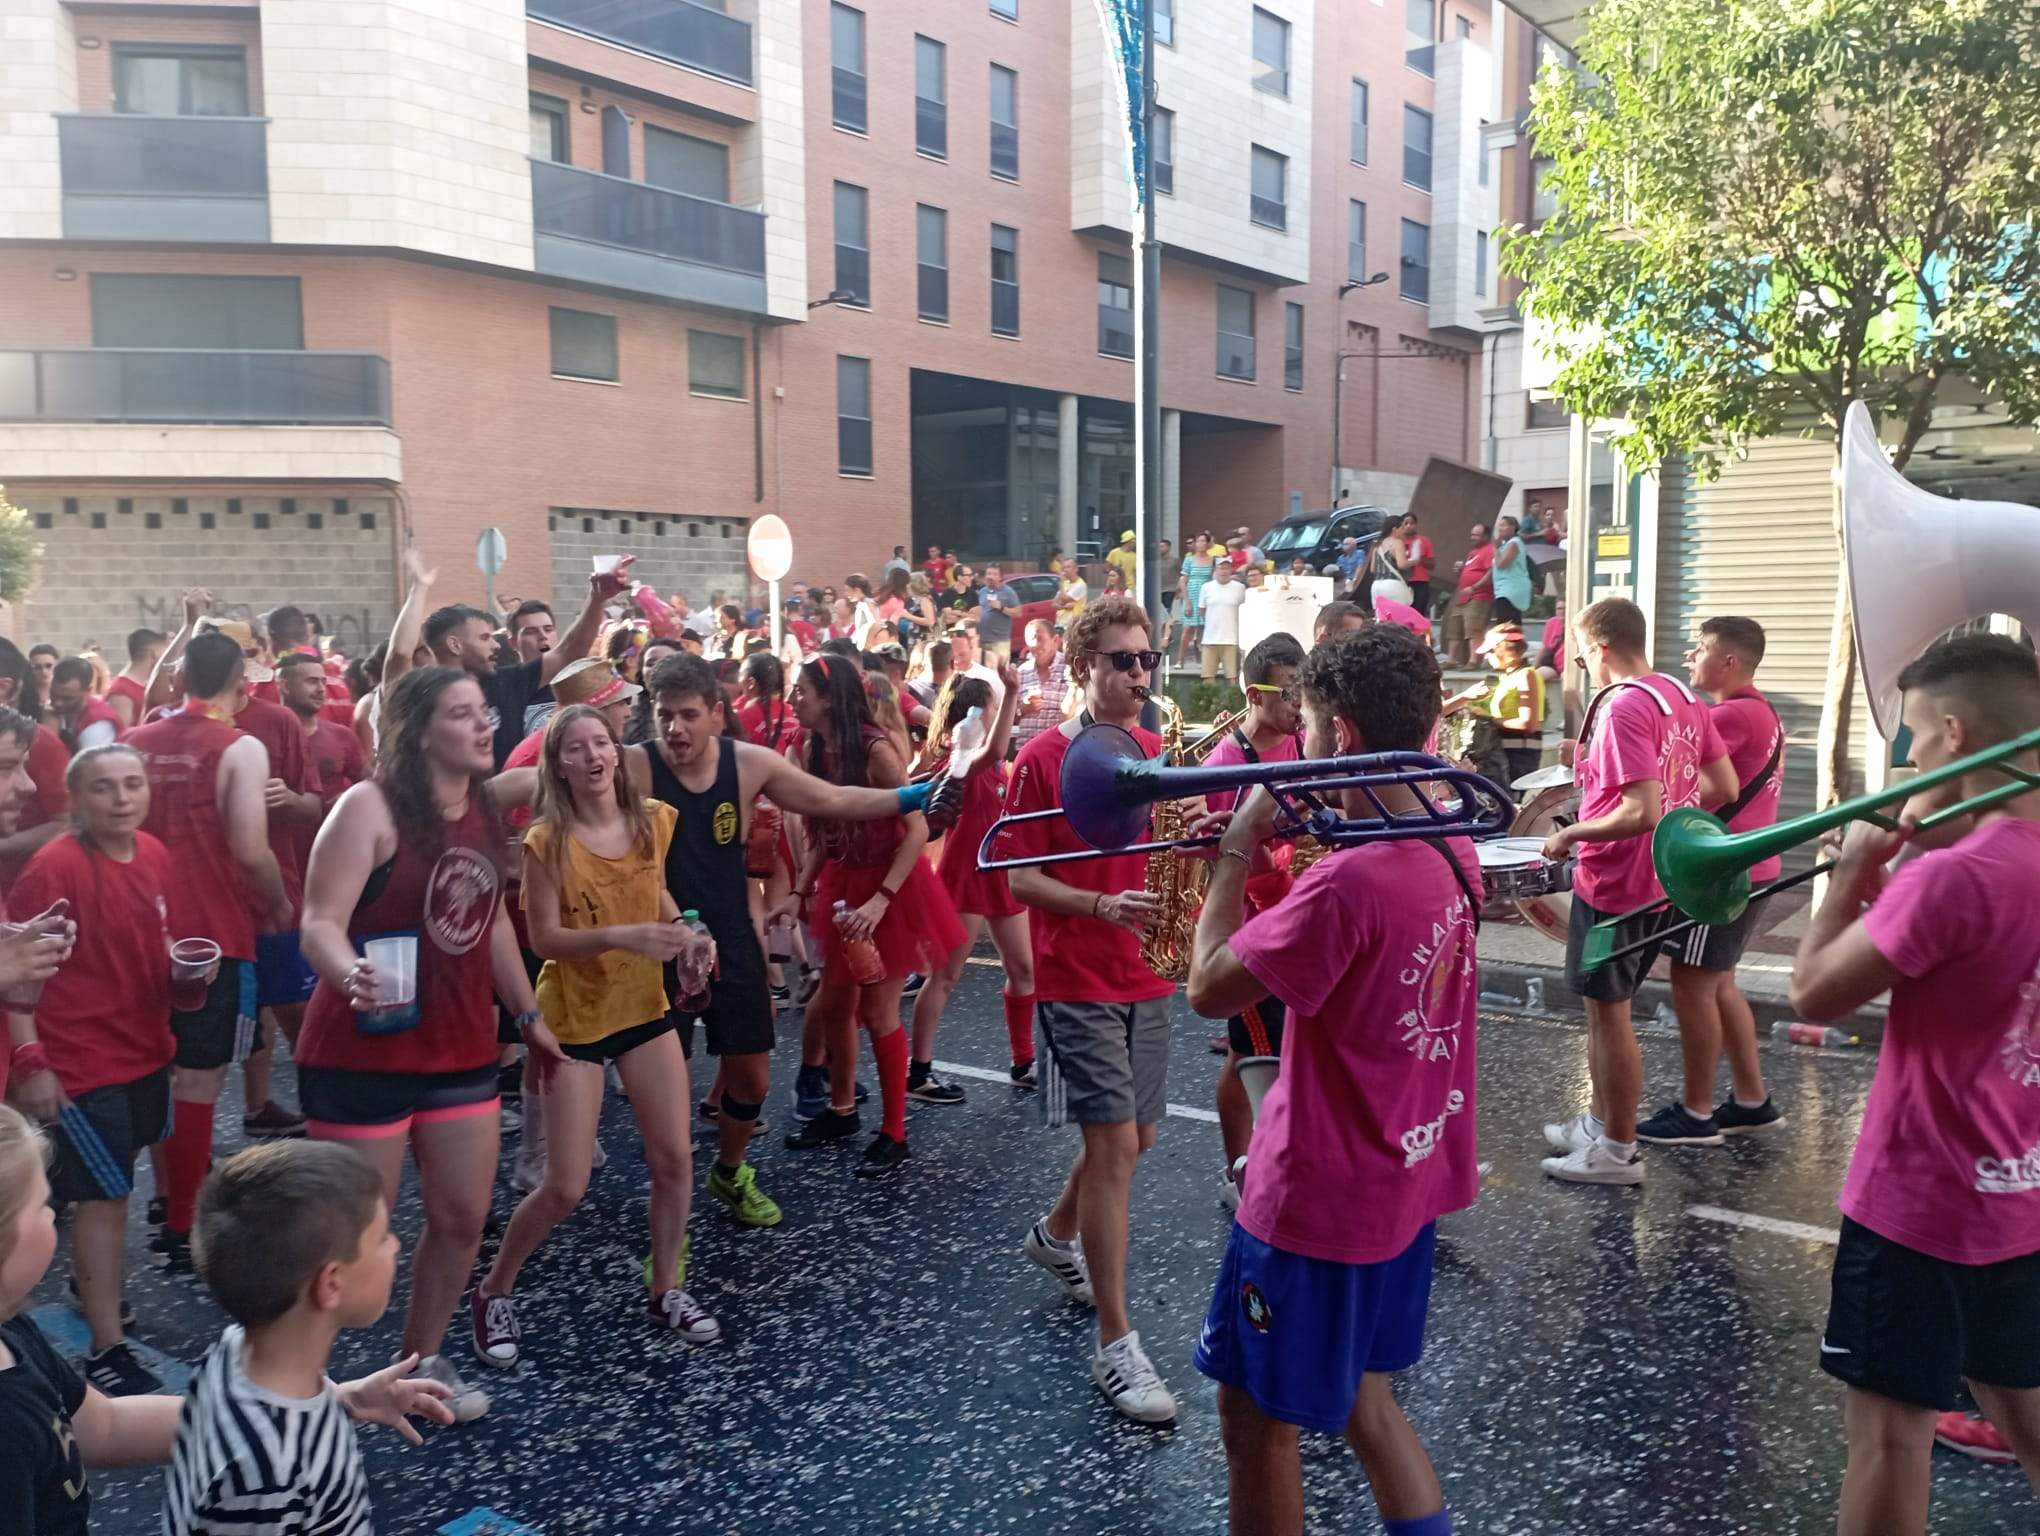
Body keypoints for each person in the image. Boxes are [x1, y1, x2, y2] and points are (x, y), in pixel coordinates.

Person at [1184, 623, 1477, 1536]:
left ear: (1341, 735)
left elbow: (1205, 989)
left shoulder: (1349, 881)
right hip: (1405, 1178)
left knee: (1255, 1420)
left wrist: (1237, 848)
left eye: (1308, 730)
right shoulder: (1447, 843)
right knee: (1365, 1403)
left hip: (1316, 1202)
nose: (1299, 751)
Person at [1788, 633, 2040, 1536]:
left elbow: (1814, 992)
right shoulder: (1983, 863)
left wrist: (1855, 868)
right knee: (2029, 1413)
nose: (1907, 762)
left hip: (1918, 1202)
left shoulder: (1951, 880)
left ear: (1955, 729)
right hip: (2023, 1197)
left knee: (1892, 1443)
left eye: (1917, 743)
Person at [294, 666, 554, 1422]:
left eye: (485, 713)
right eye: (464, 715)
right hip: (360, 1054)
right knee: (343, 1241)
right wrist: (349, 975)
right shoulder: (366, 808)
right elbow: (317, 923)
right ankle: (295, 1388)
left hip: (461, 1046)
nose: (485, 727)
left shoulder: (480, 806)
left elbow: (496, 922)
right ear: (420, 730)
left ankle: (421, 1366)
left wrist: (530, 1018)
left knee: (463, 1219)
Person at [629, 653, 942, 1208]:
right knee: (824, 1010)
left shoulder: (781, 759)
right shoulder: (641, 765)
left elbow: (860, 809)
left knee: (799, 1052)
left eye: (688, 715)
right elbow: (826, 821)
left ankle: (749, 1165)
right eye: (664, 714)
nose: (675, 728)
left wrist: (902, 809)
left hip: (804, 916)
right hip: (682, 937)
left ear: (717, 715)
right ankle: (672, 1211)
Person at [472, 706, 720, 1359]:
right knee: (566, 1185)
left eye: (601, 743)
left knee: (674, 1159)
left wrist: (690, 933)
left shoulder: (650, 822)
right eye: (577, 749)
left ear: (616, 752)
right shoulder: (547, 841)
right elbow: (545, 938)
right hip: (577, 1015)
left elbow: (656, 892)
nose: (593, 756)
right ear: (558, 765)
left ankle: (667, 1287)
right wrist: (626, 936)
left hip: (642, 1007)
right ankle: (494, 1291)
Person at [1002, 597, 1175, 1425]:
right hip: (1076, 978)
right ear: (1083, 669)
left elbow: (1168, 853)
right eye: (1120, 660)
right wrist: (1100, 909)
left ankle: (1054, 1234)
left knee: (1135, 1143)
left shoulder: (1154, 748)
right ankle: (1117, 1346)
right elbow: (1018, 880)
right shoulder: (1041, 758)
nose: (1137, 673)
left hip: (1146, 974)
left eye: (1144, 659)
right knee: (1113, 1149)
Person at [1539, 598, 1734, 1186]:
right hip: (1662, 878)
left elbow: (1639, 810)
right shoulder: (1679, 694)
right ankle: (1602, 1122)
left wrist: (1570, 831)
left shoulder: (1625, 707)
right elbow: (1721, 784)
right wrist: (1675, 794)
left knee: (1607, 1016)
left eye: (1580, 656)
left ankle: (1617, 1151)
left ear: (1599, 648)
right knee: (1607, 1010)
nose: (1582, 666)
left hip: (1618, 882)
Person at [164, 1142, 455, 1532]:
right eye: (383, 1236)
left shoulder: (238, 1350)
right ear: (331, 1283)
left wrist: (345, 1400)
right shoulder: (267, 1471)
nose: (397, 1245)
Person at [7, 745, 179, 1395]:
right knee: (105, 1200)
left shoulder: (155, 854)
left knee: (114, 1180)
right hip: (82, 1061)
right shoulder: (55, 866)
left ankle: (88, 1282)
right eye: (104, 787)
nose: (121, 797)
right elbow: (20, 975)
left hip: (145, 1050)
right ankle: (107, 1349)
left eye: (133, 783)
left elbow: (154, 943)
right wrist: (32, 1063)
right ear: (77, 799)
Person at [125, 634, 293, 1272]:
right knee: (197, 1080)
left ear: (181, 679)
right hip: (212, 937)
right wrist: (277, 903)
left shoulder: (138, 740)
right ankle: (182, 1221)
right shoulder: (240, 746)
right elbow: (251, 847)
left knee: (162, 1073)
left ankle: (168, 1196)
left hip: (143, 932)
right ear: (240, 686)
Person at [776, 655, 963, 1180]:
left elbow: (918, 831)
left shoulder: (875, 749)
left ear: (829, 699)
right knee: (834, 1005)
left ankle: (895, 1133)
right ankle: (841, 1112)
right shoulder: (815, 748)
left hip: (890, 888)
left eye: (801, 692)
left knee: (879, 1012)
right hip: (845, 884)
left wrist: (880, 900)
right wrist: (798, 889)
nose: (794, 701)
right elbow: (824, 834)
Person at [1636, 617, 1785, 1146]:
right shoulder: (1763, 711)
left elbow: (1692, 784)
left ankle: (1696, 1113)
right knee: (1719, 982)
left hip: (1721, 872)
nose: (1689, 658)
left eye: (1698, 649)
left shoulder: (1730, 715)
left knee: (1692, 983)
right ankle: (1751, 1100)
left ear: (1729, 662)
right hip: (1753, 865)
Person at [0, 1103, 185, 1530]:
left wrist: (266, 1411)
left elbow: (104, 1426)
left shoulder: (11, 1332)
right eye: (42, 1204)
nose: (52, 1214)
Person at [1197, 633, 1306, 1210]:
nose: (1296, 704)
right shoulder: (1222, 764)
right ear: (1254, 694)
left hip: (1292, 916)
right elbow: (1220, 857)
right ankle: (1241, 1171)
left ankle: (1256, 1164)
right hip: (1246, 929)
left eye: (1300, 692)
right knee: (1254, 1054)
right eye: (1286, 692)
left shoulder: (1301, 745)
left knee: (1265, 1053)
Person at [908, 667, 1035, 1095]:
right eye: (995, 708)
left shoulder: (980, 758)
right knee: (944, 976)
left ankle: (1023, 1061)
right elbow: (997, 744)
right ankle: (919, 1072)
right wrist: (1014, 689)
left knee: (1023, 970)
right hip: (965, 876)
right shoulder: (959, 758)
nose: (1002, 714)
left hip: (998, 873)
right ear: (977, 714)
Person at [425, 554, 634, 768]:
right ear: (455, 645)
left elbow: (567, 652)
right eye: (484, 638)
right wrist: (418, 590)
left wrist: (596, 598)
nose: (496, 645)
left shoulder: (509, 681)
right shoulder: (420, 698)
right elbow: (398, 658)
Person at [1481, 627, 1546, 786]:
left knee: (1509, 799)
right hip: (1505, 750)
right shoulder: (1508, 676)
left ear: (1505, 649)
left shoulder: (1526, 675)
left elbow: (1528, 723)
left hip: (1519, 754)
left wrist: (1490, 720)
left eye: (1490, 650)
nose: (1486, 655)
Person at [1012, 618, 1070, 754]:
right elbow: (1009, 715)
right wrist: (1023, 709)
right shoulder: (1022, 672)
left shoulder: (1070, 669)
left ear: (1055, 640)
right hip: (1026, 751)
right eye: (1030, 640)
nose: (1035, 645)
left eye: (1040, 639)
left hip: (1058, 751)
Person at [44, 658, 122, 752]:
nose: (58, 703)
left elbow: (89, 765)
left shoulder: (98, 724)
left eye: (67, 698)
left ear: (88, 690)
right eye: (54, 695)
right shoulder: (50, 711)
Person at [1445, 526, 1494, 668]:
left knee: (1474, 628)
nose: (1473, 537)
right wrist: (1460, 570)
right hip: (1463, 597)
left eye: (1477, 535)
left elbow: (1490, 573)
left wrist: (1474, 587)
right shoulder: (1473, 552)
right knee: (1455, 629)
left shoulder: (1489, 550)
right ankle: (1451, 660)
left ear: (1486, 536)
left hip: (1479, 596)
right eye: (1472, 535)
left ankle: (1473, 660)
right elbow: (1469, 573)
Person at [107, 628, 166, 731]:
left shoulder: (149, 683)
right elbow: (122, 735)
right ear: (153, 654)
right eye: (165, 653)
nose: (167, 658)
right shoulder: (121, 690)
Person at [1200, 559, 1247, 683]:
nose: (1224, 571)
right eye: (1221, 568)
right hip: (1209, 638)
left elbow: (1244, 610)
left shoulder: (1240, 588)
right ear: (1216, 570)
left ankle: (1234, 701)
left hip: (1231, 639)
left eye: (1227, 568)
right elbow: (1202, 610)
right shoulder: (1206, 587)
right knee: (1208, 676)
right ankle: (1209, 702)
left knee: (1232, 677)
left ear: (1231, 570)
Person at [973, 564, 1023, 667]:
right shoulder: (983, 591)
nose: (990, 576)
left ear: (1000, 577)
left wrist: (1001, 607)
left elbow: (1018, 613)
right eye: (988, 573)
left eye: (994, 574)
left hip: (999, 642)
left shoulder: (1008, 592)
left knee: (1000, 674)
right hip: (982, 640)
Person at [1176, 534, 1215, 667]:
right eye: (1198, 541)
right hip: (1191, 595)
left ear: (1208, 543)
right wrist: (1186, 601)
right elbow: (1183, 580)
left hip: (1206, 596)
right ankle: (1180, 659)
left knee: (1204, 629)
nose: (1200, 543)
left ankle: (1202, 660)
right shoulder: (1189, 559)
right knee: (1188, 629)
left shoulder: (1213, 560)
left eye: (1203, 541)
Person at [1490, 516, 1532, 624]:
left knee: (1506, 626)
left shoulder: (1514, 543)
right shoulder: (1504, 545)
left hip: (1510, 590)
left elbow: (1501, 564)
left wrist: (1494, 547)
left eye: (1503, 525)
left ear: (1513, 527)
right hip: (1504, 589)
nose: (1500, 528)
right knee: (1512, 624)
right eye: (1499, 525)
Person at [1403, 514, 1435, 619]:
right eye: (1406, 523)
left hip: (1420, 582)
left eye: (1411, 523)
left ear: (1416, 525)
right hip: (1402, 582)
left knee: (1418, 614)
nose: (1409, 526)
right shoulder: (1398, 541)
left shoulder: (1423, 540)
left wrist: (1419, 558)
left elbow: (1432, 565)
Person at [508, 600, 557, 666]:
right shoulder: (505, 675)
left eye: (548, 630)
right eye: (531, 632)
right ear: (513, 643)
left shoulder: (571, 674)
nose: (543, 636)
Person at [1056, 556, 1090, 632]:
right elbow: (1054, 604)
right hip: (1060, 623)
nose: (1065, 570)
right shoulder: (1065, 583)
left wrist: (1061, 582)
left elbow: (1064, 599)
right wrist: (1064, 607)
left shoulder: (1080, 585)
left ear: (1076, 569)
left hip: (1073, 625)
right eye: (1064, 567)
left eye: (1068, 567)